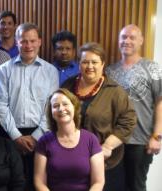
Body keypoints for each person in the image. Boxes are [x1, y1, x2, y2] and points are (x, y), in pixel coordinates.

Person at [62, 42, 136, 191]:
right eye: (85, 62)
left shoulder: (115, 91)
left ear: (102, 64)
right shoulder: (68, 86)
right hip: (72, 161)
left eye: (94, 62)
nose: (90, 66)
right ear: (79, 64)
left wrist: (108, 146)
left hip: (105, 163)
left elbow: (128, 121)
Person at [0, 23, 59, 190]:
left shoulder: (51, 71)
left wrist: (36, 136)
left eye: (32, 41)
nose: (28, 45)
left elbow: (52, 106)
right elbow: (0, 104)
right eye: (23, 41)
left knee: (40, 182)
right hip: (11, 134)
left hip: (42, 135)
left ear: (39, 42)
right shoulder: (4, 70)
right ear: (17, 42)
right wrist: (16, 136)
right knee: (14, 183)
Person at [106, 24, 162, 191]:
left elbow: (160, 102)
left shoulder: (152, 68)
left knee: (136, 186)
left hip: (141, 140)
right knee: (112, 186)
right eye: (123, 37)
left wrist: (157, 136)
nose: (127, 41)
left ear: (141, 41)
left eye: (132, 37)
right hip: (113, 139)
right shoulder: (109, 71)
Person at [34, 88, 105, 191]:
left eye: (65, 104)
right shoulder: (44, 142)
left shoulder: (91, 140)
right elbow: (39, 182)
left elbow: (98, 182)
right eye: (55, 106)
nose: (61, 109)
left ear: (74, 107)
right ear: (51, 113)